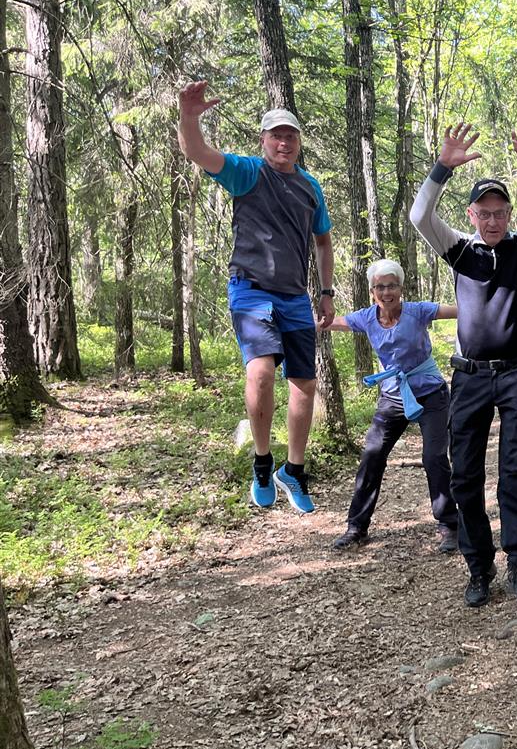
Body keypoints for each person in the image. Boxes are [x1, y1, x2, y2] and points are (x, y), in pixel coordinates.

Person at [410, 123, 517, 607]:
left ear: (509, 214)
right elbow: (420, 215)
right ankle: (479, 568)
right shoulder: (460, 250)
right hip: (470, 378)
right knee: (465, 476)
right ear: (472, 214)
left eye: (500, 213)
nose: (493, 221)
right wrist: (442, 167)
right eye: (485, 213)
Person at [177, 81, 334, 514]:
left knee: (304, 384)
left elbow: (323, 241)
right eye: (276, 135)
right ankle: (263, 462)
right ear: (263, 140)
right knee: (261, 373)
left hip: (295, 297)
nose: (284, 141)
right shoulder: (248, 172)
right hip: (250, 289)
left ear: (299, 142)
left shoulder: (310, 188)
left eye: (291, 135)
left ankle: (294, 471)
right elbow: (198, 152)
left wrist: (325, 291)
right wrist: (190, 118)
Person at [326, 259, 459, 553]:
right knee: (372, 455)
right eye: (380, 287)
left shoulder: (417, 311)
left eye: (392, 285)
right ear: (372, 290)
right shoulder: (366, 318)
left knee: (434, 456)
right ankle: (356, 528)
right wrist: (291, 321)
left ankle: (450, 524)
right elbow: (328, 323)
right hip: (393, 397)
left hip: (430, 394)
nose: (386, 292)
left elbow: (462, 310)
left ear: (401, 287)